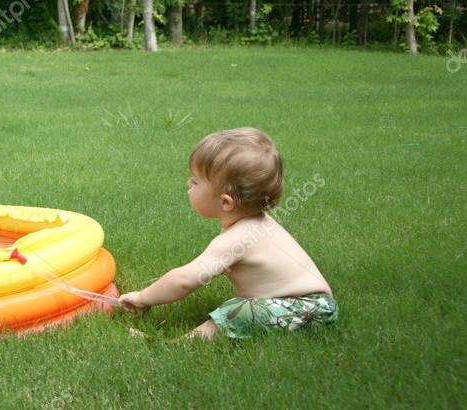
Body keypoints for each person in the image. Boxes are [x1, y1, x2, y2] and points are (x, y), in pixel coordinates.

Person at [118, 127, 339, 339]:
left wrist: (143, 297)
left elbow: (184, 280)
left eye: (195, 181)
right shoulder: (257, 225)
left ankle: (175, 345)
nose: (188, 183)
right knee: (245, 307)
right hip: (313, 306)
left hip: (310, 310)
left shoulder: (237, 239)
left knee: (238, 311)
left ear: (225, 202)